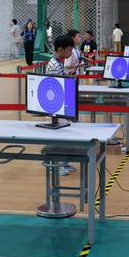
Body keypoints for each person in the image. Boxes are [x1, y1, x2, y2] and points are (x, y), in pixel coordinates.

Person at [46, 35, 77, 177]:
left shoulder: (58, 63)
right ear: (60, 49)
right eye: (69, 49)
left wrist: (68, 77)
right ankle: (56, 165)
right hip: (56, 106)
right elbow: (55, 87)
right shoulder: (54, 65)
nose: (71, 52)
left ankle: (64, 162)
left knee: (65, 135)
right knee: (59, 136)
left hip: (61, 104)